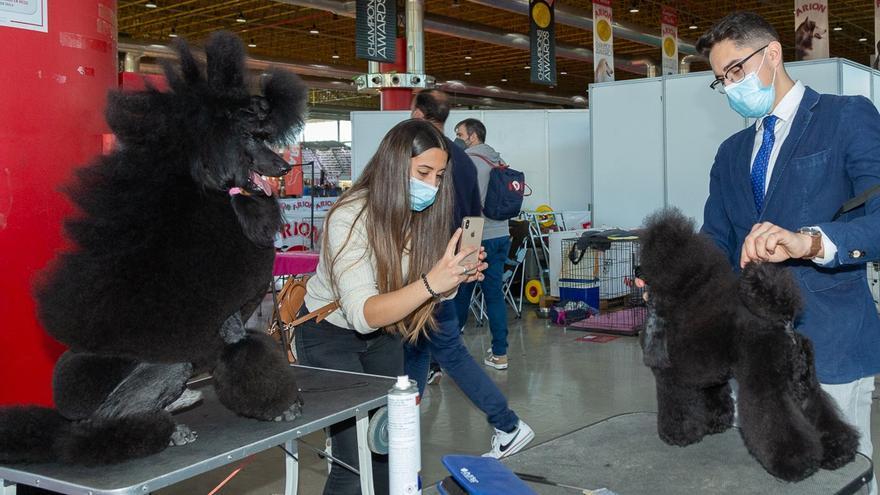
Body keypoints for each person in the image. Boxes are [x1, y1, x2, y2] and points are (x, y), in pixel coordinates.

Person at [697, 12, 880, 493]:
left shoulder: (846, 117)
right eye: (721, 80)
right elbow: (716, 237)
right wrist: (679, 275)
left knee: (839, 480)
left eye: (736, 70)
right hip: (751, 353)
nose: (730, 85)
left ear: (772, 54)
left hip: (832, 349)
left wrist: (810, 240)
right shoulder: (731, 153)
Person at [297, 119, 486, 495]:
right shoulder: (350, 216)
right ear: (395, 165)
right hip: (328, 337)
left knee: (385, 453)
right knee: (353, 465)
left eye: (439, 175)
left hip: (386, 334)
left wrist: (451, 280)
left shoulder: (422, 216)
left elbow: (417, 289)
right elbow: (365, 314)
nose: (432, 185)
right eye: (424, 172)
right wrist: (434, 282)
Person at [406, 90, 535, 459]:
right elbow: (474, 211)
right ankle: (401, 423)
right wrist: (468, 258)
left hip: (431, 266)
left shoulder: (427, 154)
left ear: (416, 113)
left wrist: (461, 263)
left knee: (446, 344)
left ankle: (506, 423)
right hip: (454, 258)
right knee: (418, 344)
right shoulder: (461, 158)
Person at [453, 118, 514, 370]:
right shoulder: (498, 160)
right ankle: (500, 353)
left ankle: (450, 350)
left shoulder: (470, 162)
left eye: (460, 133)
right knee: (494, 295)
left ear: (473, 136)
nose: (457, 138)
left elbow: (467, 203)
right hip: (502, 232)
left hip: (475, 234)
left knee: (461, 292)